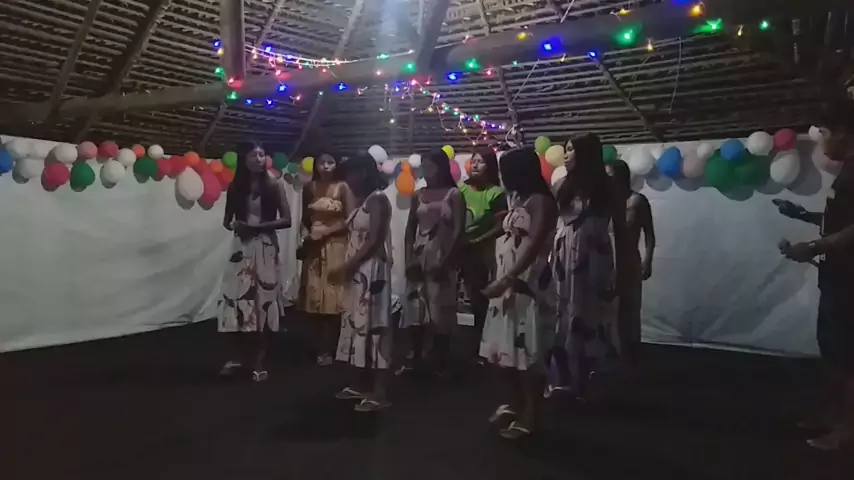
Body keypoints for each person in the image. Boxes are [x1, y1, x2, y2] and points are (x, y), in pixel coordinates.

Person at [777, 100, 854, 451]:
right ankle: (835, 416)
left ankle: (847, 430)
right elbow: (841, 220)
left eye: (824, 132)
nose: (821, 140)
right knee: (833, 352)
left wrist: (812, 247)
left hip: (848, 281)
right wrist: (802, 214)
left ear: (844, 132)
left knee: (846, 357)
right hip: (837, 277)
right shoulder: (847, 171)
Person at [480, 147, 558, 439]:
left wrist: (510, 278)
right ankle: (514, 404)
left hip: (528, 281)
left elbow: (535, 244)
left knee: (528, 353)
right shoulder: (518, 199)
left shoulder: (541, 201)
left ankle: (531, 416)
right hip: (509, 280)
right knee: (505, 351)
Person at [548, 134, 628, 400]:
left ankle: (582, 382)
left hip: (593, 257)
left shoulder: (607, 187)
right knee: (559, 314)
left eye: (571, 150)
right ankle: (563, 378)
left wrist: (623, 267)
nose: (566, 155)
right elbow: (551, 223)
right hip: (562, 257)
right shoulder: (560, 184)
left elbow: (620, 228)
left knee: (587, 316)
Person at [218, 141, 292, 382]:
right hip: (241, 248)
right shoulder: (235, 187)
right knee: (239, 301)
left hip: (265, 246)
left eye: (262, 154)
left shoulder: (274, 184)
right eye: (253, 155)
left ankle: (259, 363)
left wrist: (257, 227)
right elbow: (226, 221)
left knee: (263, 302)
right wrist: (236, 225)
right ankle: (241, 357)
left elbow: (287, 220)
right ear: (244, 159)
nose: (259, 159)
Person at [330, 154, 394, 412]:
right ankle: (362, 385)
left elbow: (375, 240)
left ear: (364, 173)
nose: (348, 180)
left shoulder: (378, 199)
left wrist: (348, 265)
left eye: (351, 174)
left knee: (375, 327)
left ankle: (379, 393)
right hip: (359, 270)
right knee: (359, 326)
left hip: (372, 270)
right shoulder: (362, 200)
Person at [400, 149, 466, 376]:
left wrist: (446, 261)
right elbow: (410, 230)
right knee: (415, 306)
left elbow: (458, 230)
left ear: (441, 168)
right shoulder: (418, 194)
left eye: (431, 167)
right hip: (419, 255)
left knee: (440, 308)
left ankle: (440, 358)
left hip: (442, 255)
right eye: (424, 167)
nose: (427, 172)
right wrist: (408, 259)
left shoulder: (454, 194)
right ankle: (415, 354)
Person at [298, 153, 349, 366]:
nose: (326, 166)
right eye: (322, 162)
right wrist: (306, 237)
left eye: (330, 162)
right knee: (314, 297)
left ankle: (332, 347)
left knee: (333, 297)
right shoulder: (309, 187)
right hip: (314, 246)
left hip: (336, 245)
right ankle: (319, 345)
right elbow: (305, 218)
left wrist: (326, 232)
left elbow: (349, 218)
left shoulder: (343, 187)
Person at [458, 148, 507, 364]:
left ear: (490, 166)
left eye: (480, 161)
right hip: (456, 250)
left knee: (479, 300)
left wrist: (477, 241)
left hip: (481, 253)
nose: (475, 165)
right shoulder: (460, 189)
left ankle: (481, 347)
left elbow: (501, 225)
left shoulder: (496, 193)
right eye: (473, 161)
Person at [606, 159, 655, 368]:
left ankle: (630, 357)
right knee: (608, 309)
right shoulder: (605, 203)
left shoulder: (637, 201)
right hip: (607, 262)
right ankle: (612, 354)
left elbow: (649, 233)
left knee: (629, 310)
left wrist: (648, 260)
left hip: (629, 262)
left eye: (610, 176)